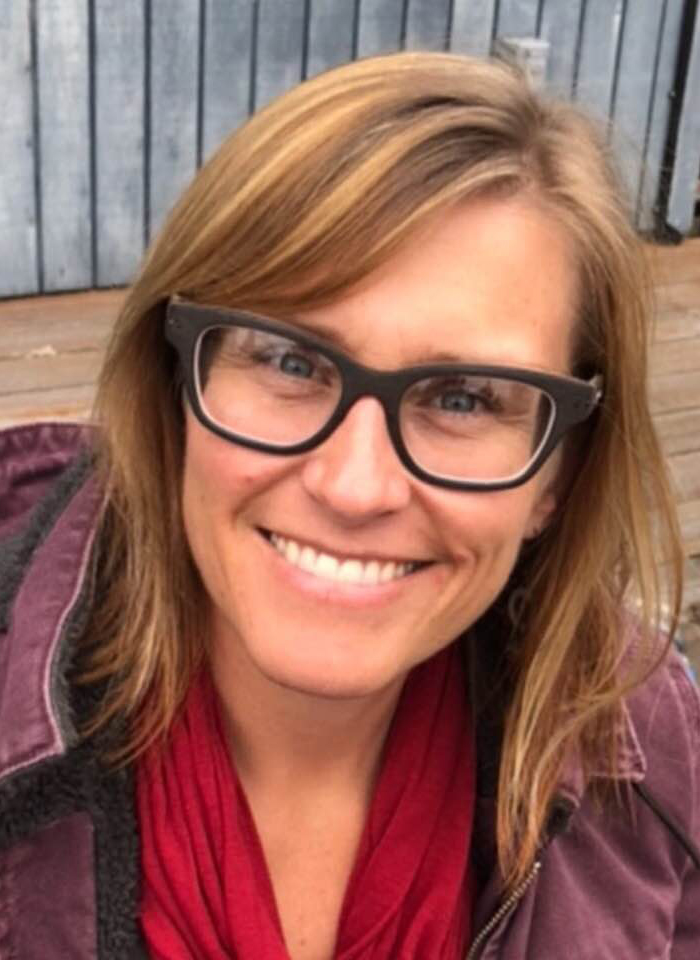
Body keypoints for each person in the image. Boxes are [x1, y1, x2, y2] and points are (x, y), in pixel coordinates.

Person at [0, 51, 698, 960]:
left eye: (463, 398)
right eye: (292, 362)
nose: (354, 486)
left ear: (557, 476)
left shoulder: (646, 744)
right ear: (175, 381)